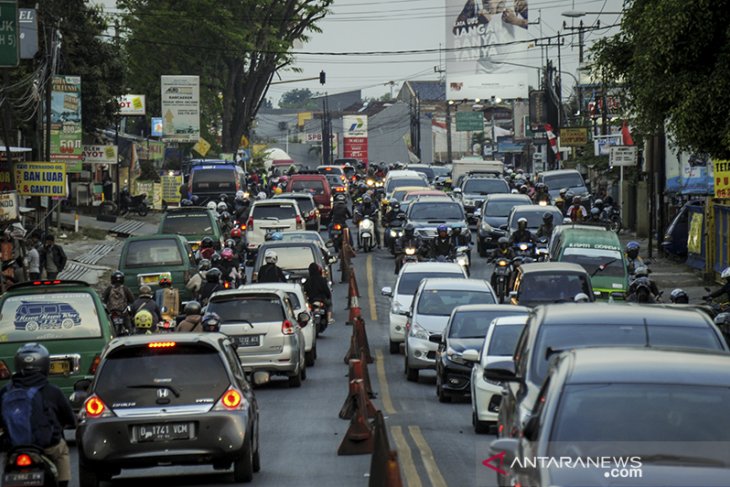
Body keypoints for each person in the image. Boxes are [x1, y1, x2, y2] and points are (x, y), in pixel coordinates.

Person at [0, 343, 76, 487]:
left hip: (14, 447)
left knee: (7, 459)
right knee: (62, 452)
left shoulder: (5, 391)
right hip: (47, 446)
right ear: (45, 364)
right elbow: (69, 418)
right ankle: (62, 483)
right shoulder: (52, 390)